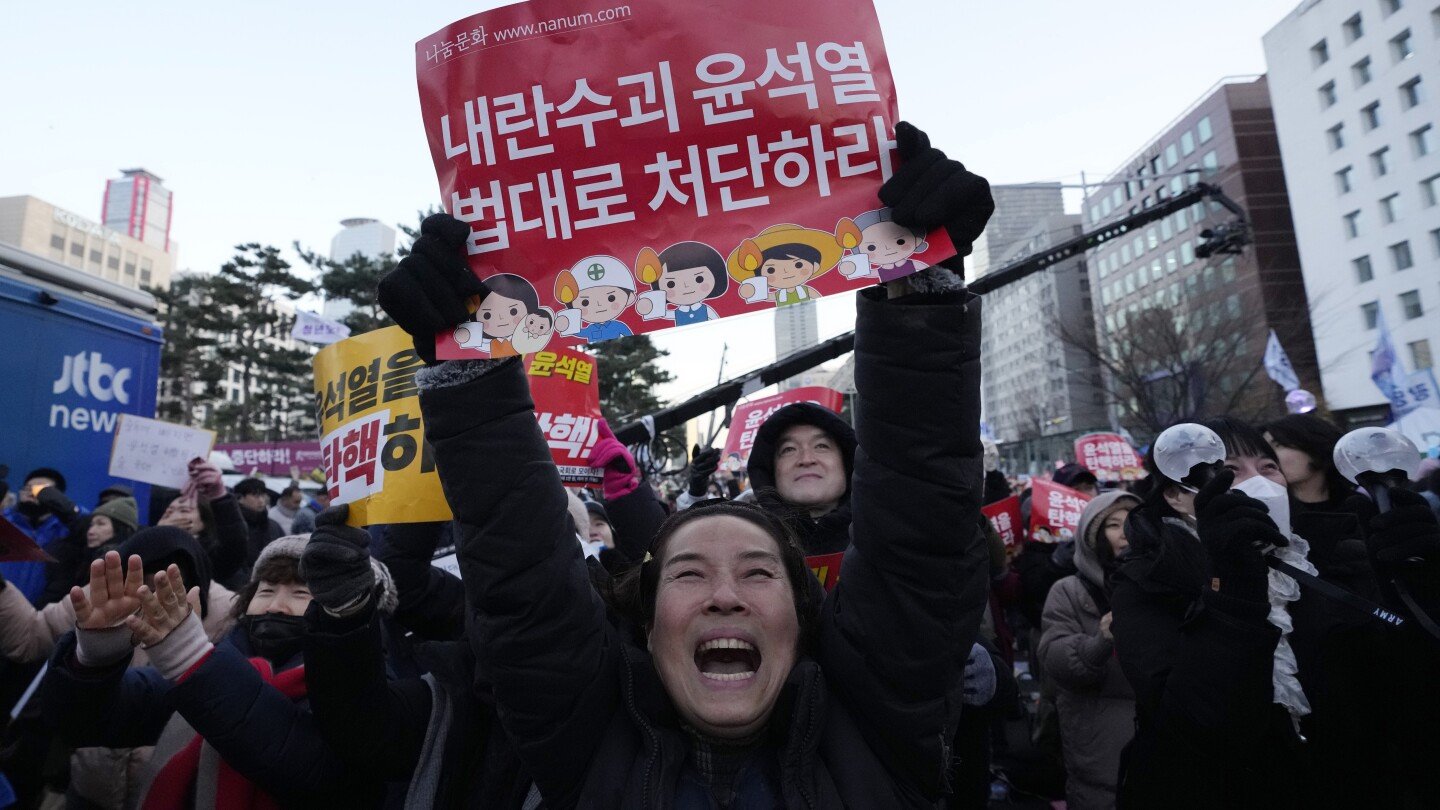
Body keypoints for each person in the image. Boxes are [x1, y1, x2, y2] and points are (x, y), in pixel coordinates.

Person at [374, 119, 994, 806]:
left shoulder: (876, 730)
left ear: (803, 616)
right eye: (689, 574)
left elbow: (920, 532)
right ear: (646, 621)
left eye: (758, 573)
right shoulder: (586, 738)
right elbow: (519, 569)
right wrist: (469, 359)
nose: (724, 596)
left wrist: (921, 284)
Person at [1111, 417, 1440, 808]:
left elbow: (1403, 696)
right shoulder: (1147, 584)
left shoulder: (1335, 563)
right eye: (1229, 471)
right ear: (1177, 496)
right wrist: (1232, 587)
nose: (1260, 481)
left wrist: (1419, 584)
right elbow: (1198, 727)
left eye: (1269, 468)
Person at [40, 535, 391, 808]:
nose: (276, 605)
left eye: (301, 594)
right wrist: (94, 660)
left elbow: (327, 778)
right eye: (266, 590)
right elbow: (89, 722)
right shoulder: (218, 660)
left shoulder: (374, 690)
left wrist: (192, 660)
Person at [1038, 491, 1140, 810]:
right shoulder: (1069, 591)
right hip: (1097, 747)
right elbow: (1056, 660)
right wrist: (1100, 641)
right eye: (1113, 524)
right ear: (1092, 536)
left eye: (1134, 523)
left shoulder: (1165, 586)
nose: (1125, 532)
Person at [2, 467, 84, 604]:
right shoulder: (5, 521)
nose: (31, 492)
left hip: (40, 615)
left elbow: (88, 525)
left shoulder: (66, 530)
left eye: (41, 490)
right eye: (28, 488)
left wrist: (69, 509)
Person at [40, 494, 140, 607]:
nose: (91, 531)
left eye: (100, 524)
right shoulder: (86, 558)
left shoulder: (116, 564)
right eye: (91, 525)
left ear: (120, 529)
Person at [1262, 413, 1355, 513]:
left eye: (1278, 445)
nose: (1268, 456)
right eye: (1265, 449)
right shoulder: (1268, 512)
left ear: (1314, 446)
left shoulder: (1359, 507)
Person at [233, 477, 284, 568]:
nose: (261, 500)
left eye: (263, 495)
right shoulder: (231, 526)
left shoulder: (273, 526)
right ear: (240, 498)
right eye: (255, 496)